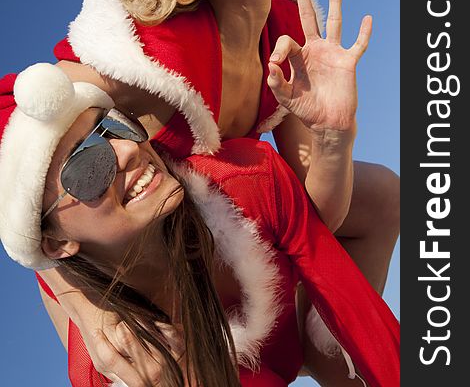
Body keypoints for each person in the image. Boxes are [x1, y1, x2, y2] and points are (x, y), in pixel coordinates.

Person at [38, 0, 398, 383]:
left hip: (237, 223)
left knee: (380, 195)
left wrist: (335, 134)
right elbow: (27, 149)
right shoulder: (147, 44)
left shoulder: (285, 23)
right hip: (149, 257)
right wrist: (82, 304)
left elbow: (317, 211)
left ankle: (330, 348)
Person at [0, 63, 399, 387]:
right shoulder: (117, 366)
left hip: (286, 331)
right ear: (53, 245)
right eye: (87, 166)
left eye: (114, 126)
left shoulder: (245, 181)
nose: (127, 152)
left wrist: (334, 139)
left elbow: (352, 305)